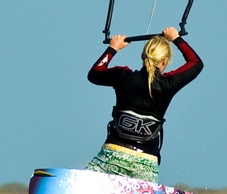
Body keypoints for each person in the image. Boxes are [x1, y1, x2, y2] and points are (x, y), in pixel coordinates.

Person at [84, 26, 203, 182]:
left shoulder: (122, 76)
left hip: (112, 155)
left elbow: (95, 73)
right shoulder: (169, 84)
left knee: (86, 182)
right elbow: (196, 63)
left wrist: (112, 48)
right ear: (165, 60)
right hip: (145, 163)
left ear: (143, 56)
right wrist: (176, 38)